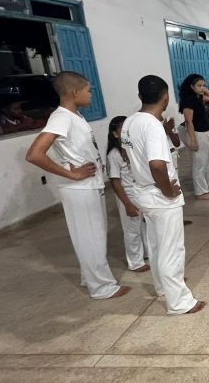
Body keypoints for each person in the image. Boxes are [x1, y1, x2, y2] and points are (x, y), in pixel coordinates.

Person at [25, 71, 130, 300]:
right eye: (88, 90)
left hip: (89, 186)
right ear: (75, 92)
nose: (91, 94)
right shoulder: (61, 117)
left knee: (93, 237)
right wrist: (70, 174)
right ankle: (102, 288)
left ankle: (90, 277)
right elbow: (34, 155)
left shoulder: (74, 116)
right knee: (91, 238)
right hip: (79, 189)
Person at [122, 75, 206, 315]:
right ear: (166, 97)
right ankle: (179, 302)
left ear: (140, 96)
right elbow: (157, 165)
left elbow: (130, 156)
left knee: (157, 245)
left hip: (142, 192)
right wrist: (168, 191)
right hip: (159, 196)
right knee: (172, 249)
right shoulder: (152, 125)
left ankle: (162, 287)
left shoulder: (129, 122)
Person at [107, 116, 150, 273]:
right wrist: (127, 203)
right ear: (115, 134)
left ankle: (145, 253)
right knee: (132, 229)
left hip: (140, 191)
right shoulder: (114, 155)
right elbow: (115, 181)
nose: (126, 132)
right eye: (122, 129)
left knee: (143, 226)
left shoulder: (132, 149)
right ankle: (135, 262)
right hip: (128, 194)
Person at [177, 74, 209, 200]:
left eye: (204, 85)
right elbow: (189, 121)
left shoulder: (198, 97)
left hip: (205, 132)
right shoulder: (188, 100)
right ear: (191, 86)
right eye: (199, 85)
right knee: (199, 162)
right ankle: (200, 192)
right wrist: (193, 140)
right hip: (196, 133)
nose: (202, 88)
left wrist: (202, 89)